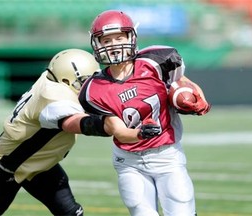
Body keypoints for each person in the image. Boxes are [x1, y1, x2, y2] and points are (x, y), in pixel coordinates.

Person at [78, 10, 211, 216]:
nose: (114, 44)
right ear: (97, 44)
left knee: (181, 209)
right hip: (130, 161)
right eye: (107, 40)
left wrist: (195, 99)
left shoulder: (157, 61)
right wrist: (141, 133)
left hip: (168, 154)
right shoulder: (93, 89)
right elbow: (119, 131)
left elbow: (182, 82)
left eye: (119, 37)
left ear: (131, 38)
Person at [0, 48, 114, 216]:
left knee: (71, 212)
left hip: (40, 164)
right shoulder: (54, 96)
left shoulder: (52, 78)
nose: (90, 87)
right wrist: (110, 125)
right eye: (84, 81)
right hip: (5, 168)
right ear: (66, 80)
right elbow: (76, 123)